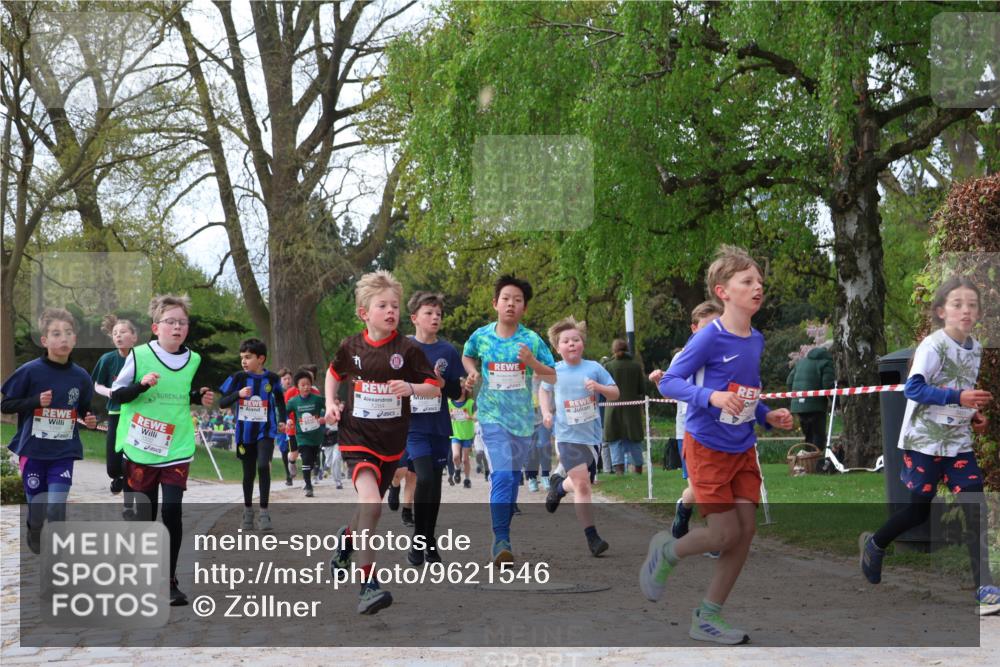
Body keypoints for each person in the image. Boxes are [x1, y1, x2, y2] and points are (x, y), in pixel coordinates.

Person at [642, 245, 794, 644]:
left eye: (760, 281)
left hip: (742, 446)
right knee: (724, 534)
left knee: (745, 531)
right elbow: (670, 382)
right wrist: (711, 397)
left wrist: (766, 416)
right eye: (747, 281)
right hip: (707, 445)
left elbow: (745, 391)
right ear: (723, 291)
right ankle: (667, 551)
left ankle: (708, 616)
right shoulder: (710, 337)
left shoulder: (756, 339)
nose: (758, 287)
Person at [859, 276, 999, 615]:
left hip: (957, 442)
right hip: (924, 440)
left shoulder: (975, 349)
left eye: (972, 305)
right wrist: (959, 397)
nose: (966, 311)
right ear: (941, 311)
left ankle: (984, 588)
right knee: (918, 511)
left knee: (974, 507)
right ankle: (875, 544)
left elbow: (958, 390)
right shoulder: (933, 346)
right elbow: (914, 389)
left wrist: (972, 414)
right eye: (957, 304)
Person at [324, 270, 440, 615]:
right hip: (356, 436)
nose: (391, 311)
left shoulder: (407, 349)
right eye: (382, 306)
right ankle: (367, 585)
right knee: (373, 504)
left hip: (391, 442)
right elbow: (333, 374)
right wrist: (330, 403)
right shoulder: (351, 347)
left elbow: (434, 388)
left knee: (368, 507)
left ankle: (347, 538)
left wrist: (412, 388)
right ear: (364, 313)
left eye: (395, 306)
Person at [111, 294, 215, 606]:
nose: (177, 327)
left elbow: (179, 391)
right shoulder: (139, 355)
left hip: (177, 445)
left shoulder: (193, 359)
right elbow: (117, 395)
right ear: (156, 327)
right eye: (171, 322)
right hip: (141, 446)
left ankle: (169, 581)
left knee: (171, 510)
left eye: (182, 322)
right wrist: (141, 385)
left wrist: (197, 396)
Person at [462, 275, 556, 565]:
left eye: (517, 300)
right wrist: (472, 372)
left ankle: (504, 525)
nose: (511, 304)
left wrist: (532, 363)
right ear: (495, 303)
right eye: (506, 299)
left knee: (513, 477)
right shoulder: (482, 335)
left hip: (522, 421)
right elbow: (467, 355)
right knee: (502, 475)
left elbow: (553, 375)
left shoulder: (531, 340)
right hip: (491, 416)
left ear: (524, 307)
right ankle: (501, 540)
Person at [2, 308, 98, 554]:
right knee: (37, 508)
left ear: (75, 339)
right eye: (56, 334)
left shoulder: (81, 377)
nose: (63, 338)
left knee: (56, 507)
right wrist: (35, 401)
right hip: (33, 451)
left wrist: (89, 419)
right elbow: (6, 405)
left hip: (63, 451)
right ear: (44, 340)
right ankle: (34, 528)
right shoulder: (30, 371)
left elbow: (83, 409)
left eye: (68, 333)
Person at [540, 316, 619, 556]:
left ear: (582, 343)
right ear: (558, 347)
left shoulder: (594, 368)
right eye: (566, 341)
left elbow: (615, 393)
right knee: (583, 484)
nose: (571, 344)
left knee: (579, 483)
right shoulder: (554, 370)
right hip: (566, 436)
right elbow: (544, 391)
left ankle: (559, 487)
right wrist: (546, 412)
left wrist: (599, 388)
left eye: (576, 339)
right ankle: (592, 537)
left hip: (592, 437)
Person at [650, 300, 723, 543]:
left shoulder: (727, 355)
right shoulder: (683, 356)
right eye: (707, 326)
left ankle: (696, 517)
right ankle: (689, 513)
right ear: (694, 328)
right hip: (689, 431)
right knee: (701, 487)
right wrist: (659, 381)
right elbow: (669, 390)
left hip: (721, 429)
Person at [402, 291, 465, 566]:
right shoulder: (403, 348)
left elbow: (457, 393)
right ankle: (420, 539)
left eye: (438, 313)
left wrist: (444, 384)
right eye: (429, 313)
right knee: (424, 478)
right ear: (415, 318)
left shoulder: (447, 351)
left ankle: (428, 541)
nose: (435, 317)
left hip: (438, 425)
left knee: (435, 484)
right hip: (413, 426)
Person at [219, 338, 286, 530]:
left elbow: (280, 400)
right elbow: (222, 402)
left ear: (261, 359)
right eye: (242, 357)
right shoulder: (238, 378)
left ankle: (264, 513)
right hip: (244, 433)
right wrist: (238, 394)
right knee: (248, 473)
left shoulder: (272, 378)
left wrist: (282, 419)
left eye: (248, 357)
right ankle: (248, 511)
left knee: (263, 466)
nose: (243, 361)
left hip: (266, 431)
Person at [92, 314, 139, 517]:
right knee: (113, 465)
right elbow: (97, 385)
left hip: (136, 415)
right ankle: (116, 477)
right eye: (115, 333)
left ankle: (128, 506)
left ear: (134, 336)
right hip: (116, 412)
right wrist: (110, 392)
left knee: (130, 462)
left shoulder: (142, 358)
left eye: (123, 332)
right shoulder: (107, 359)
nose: (118, 336)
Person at [603, 339, 646, 474]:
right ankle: (638, 469)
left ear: (613, 350)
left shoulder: (608, 366)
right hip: (632, 409)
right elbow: (641, 389)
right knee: (635, 438)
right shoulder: (636, 366)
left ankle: (619, 471)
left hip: (612, 408)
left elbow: (603, 388)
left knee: (614, 438)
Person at [786, 341, 835, 449]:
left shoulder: (801, 362)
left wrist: (795, 399)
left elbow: (789, 382)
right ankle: (817, 457)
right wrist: (837, 402)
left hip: (799, 406)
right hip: (816, 405)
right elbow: (828, 385)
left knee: (808, 436)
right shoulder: (826, 362)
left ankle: (808, 456)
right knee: (818, 435)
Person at [285, 371, 325, 497]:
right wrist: (287, 420)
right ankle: (308, 486)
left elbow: (328, 407)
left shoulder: (317, 399)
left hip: (316, 436)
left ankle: (308, 479)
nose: (306, 387)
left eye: (308, 384)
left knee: (312, 461)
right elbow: (283, 411)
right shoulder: (294, 401)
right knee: (306, 459)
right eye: (303, 385)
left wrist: (324, 417)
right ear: (297, 387)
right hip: (302, 436)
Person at [525, 376, 553, 492]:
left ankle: (545, 475)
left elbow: (552, 398)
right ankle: (532, 478)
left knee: (544, 446)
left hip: (543, 420)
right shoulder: (523, 379)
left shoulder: (546, 380)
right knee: (531, 450)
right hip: (527, 422)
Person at [449, 389, 476, 489]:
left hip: (467, 435)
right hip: (455, 434)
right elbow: (444, 416)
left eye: (462, 388)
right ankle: (457, 469)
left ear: (465, 390)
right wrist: (449, 416)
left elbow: (477, 416)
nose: (460, 390)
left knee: (465, 460)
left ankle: (467, 479)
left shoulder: (471, 403)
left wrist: (470, 417)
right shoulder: (449, 403)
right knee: (455, 456)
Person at [275, 368, 294, 486]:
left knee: (295, 448)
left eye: (289, 378)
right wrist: (279, 423)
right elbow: (275, 409)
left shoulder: (295, 392)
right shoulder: (277, 393)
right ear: (280, 380)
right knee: (284, 450)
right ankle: (288, 475)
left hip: (293, 425)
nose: (287, 381)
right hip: (282, 426)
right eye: (285, 379)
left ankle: (294, 466)